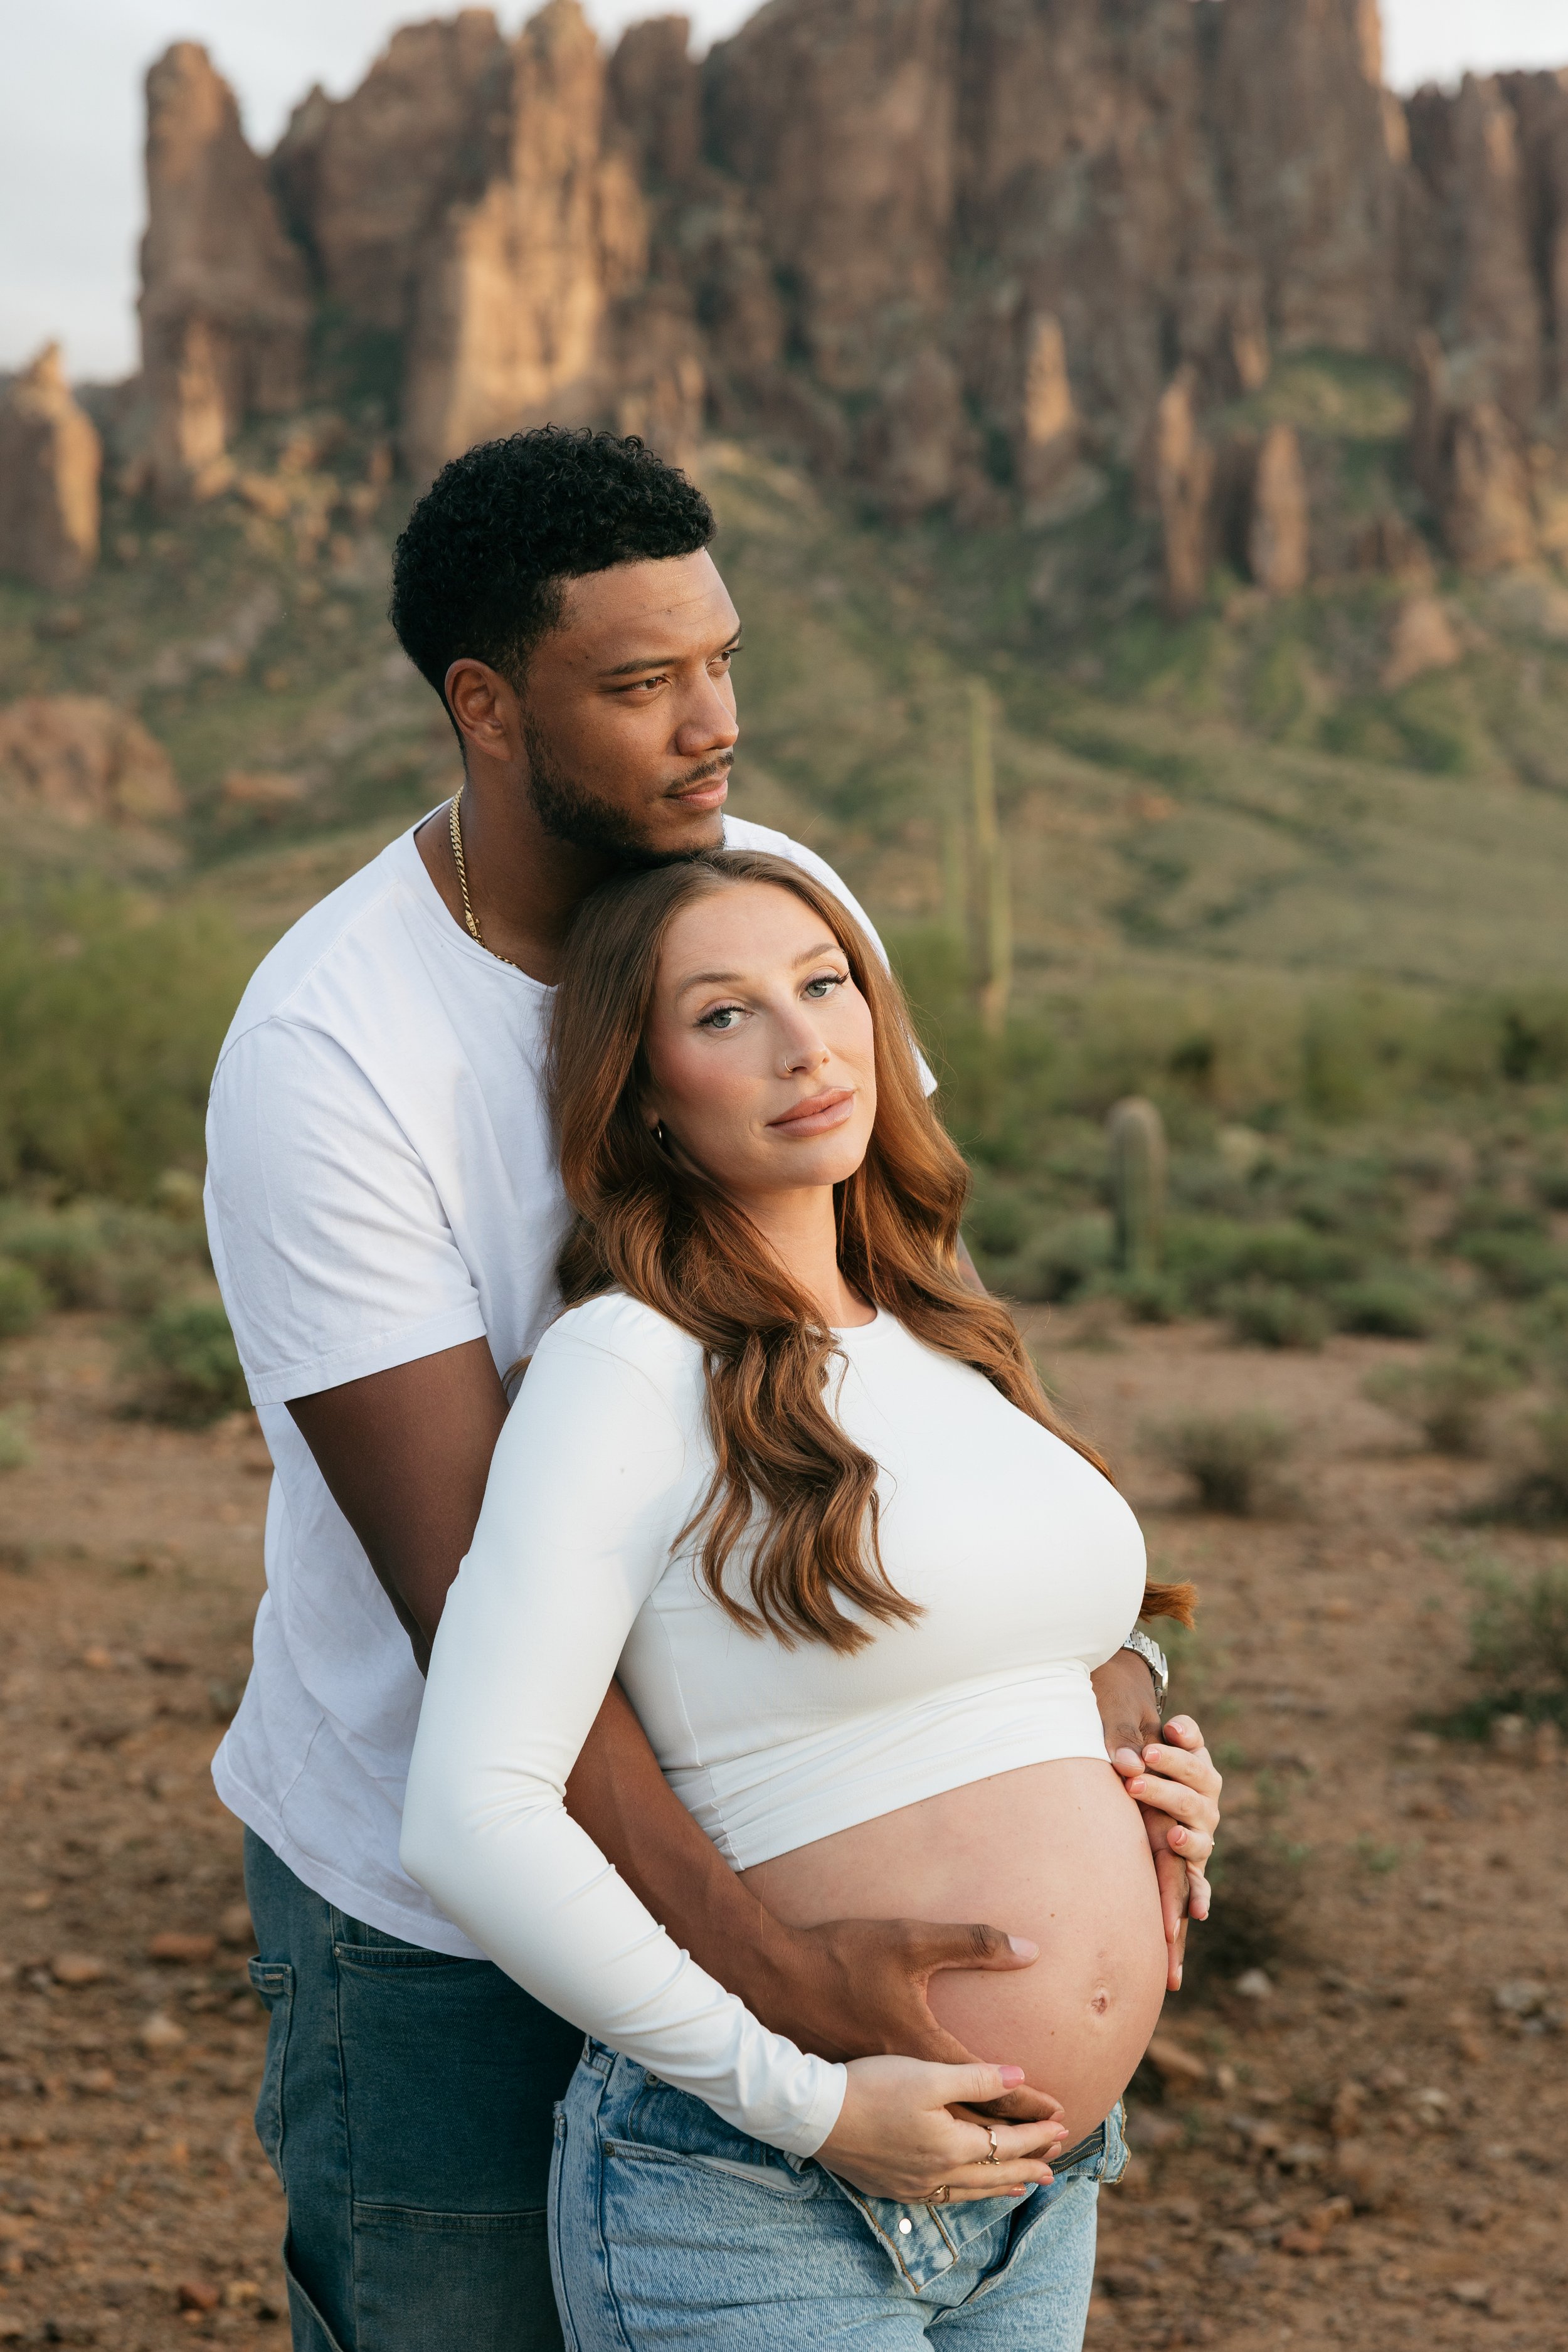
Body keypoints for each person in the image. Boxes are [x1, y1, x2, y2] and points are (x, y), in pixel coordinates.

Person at [204, 428, 1219, 2352]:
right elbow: (482, 1643)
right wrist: (787, 2002)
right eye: (642, 682)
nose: (712, 725)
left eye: (723, 661)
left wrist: (1102, 1708)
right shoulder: (330, 1053)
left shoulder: (763, 898)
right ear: (484, 706)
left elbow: (918, 1338)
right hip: (447, 1906)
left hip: (774, 1827)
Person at [401, 846, 1214, 2347]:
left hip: (1039, 2182)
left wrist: (1153, 1774)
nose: (801, 1042)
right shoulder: (626, 1367)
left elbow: (1066, 1648)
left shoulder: (942, 1333)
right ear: (640, 1089)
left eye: (823, 983)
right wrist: (811, 2103)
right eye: (722, 1015)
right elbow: (471, 1807)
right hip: (766, 2187)